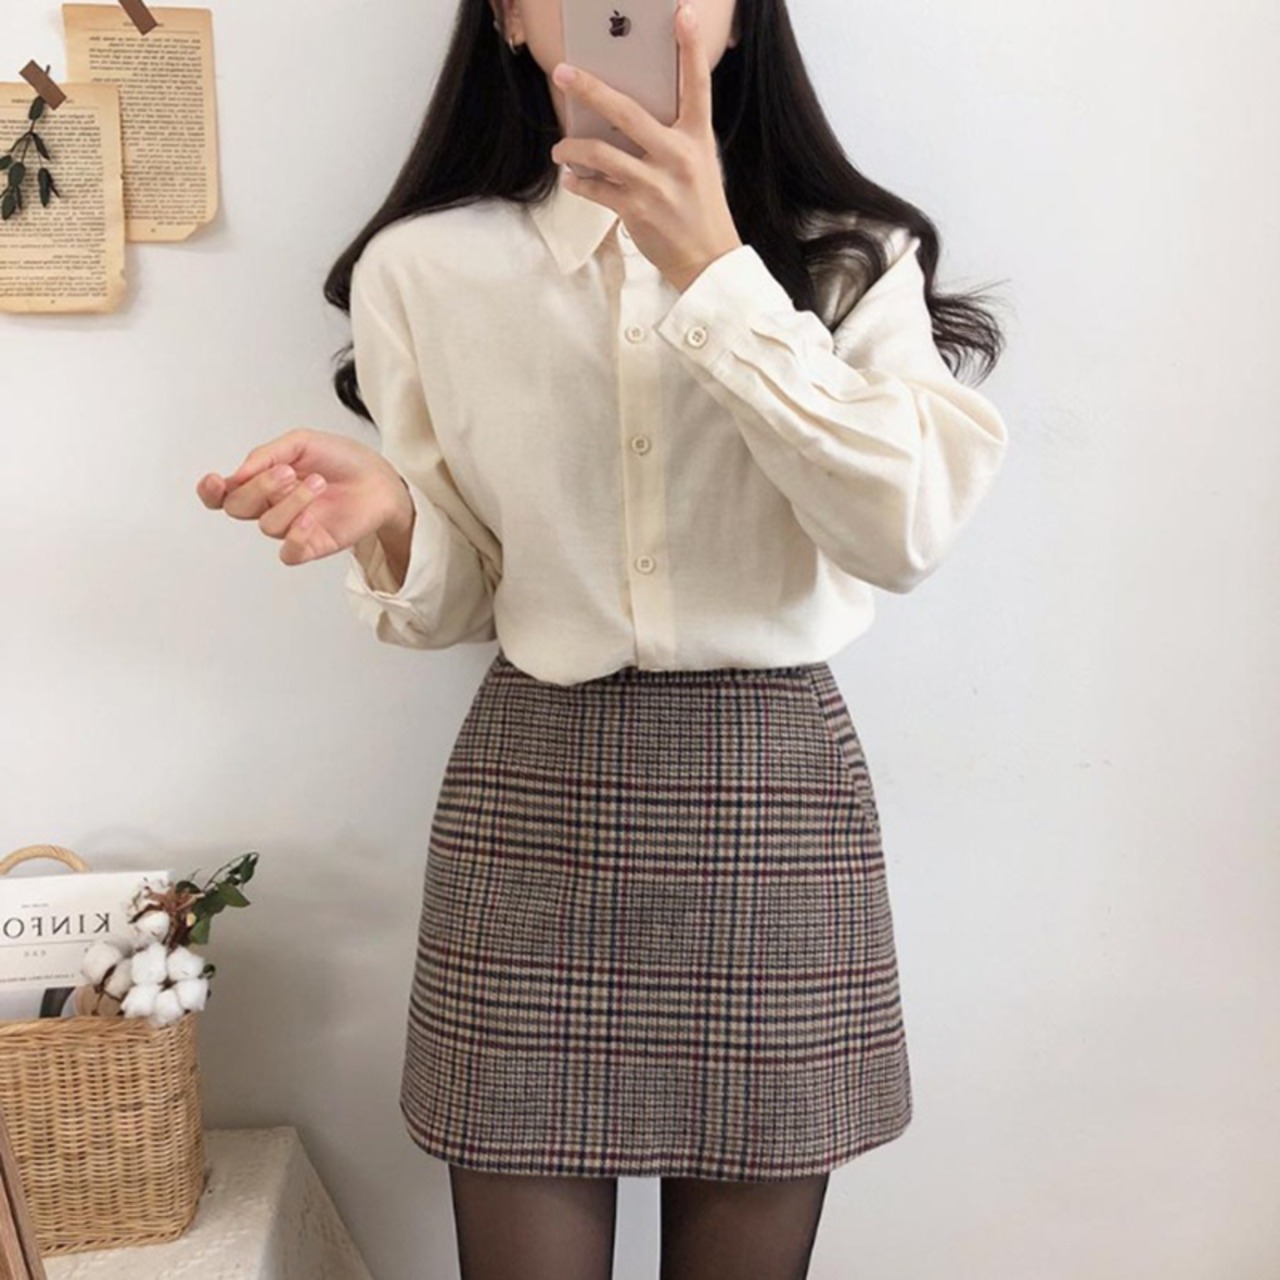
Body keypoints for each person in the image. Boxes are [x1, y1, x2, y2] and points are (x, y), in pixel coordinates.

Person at [197, 1, 1010, 1275]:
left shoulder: (849, 256)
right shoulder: (424, 268)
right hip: (535, 788)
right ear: (509, 17)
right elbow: (469, 591)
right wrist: (396, 516)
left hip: (770, 802)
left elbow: (902, 529)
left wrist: (717, 272)